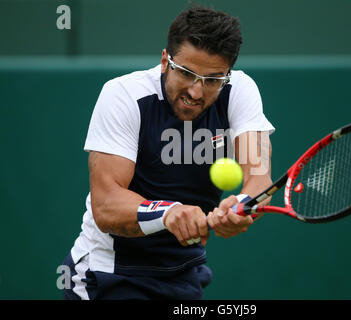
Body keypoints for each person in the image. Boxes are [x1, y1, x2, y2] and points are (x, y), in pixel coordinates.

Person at [62, 5, 275, 300]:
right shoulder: (124, 96)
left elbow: (259, 179)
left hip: (183, 275)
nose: (196, 92)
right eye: (187, 73)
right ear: (165, 60)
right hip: (109, 275)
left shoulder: (239, 91)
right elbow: (106, 205)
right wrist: (168, 212)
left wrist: (241, 206)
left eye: (212, 80)